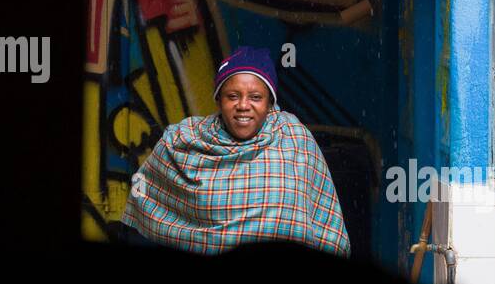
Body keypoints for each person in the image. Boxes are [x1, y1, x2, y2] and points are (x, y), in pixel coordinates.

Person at [120, 46, 350, 257]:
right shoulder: (183, 140)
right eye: (232, 96)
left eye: (255, 97)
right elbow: (145, 198)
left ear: (270, 103)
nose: (243, 105)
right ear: (218, 100)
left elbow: (325, 229)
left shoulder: (294, 138)